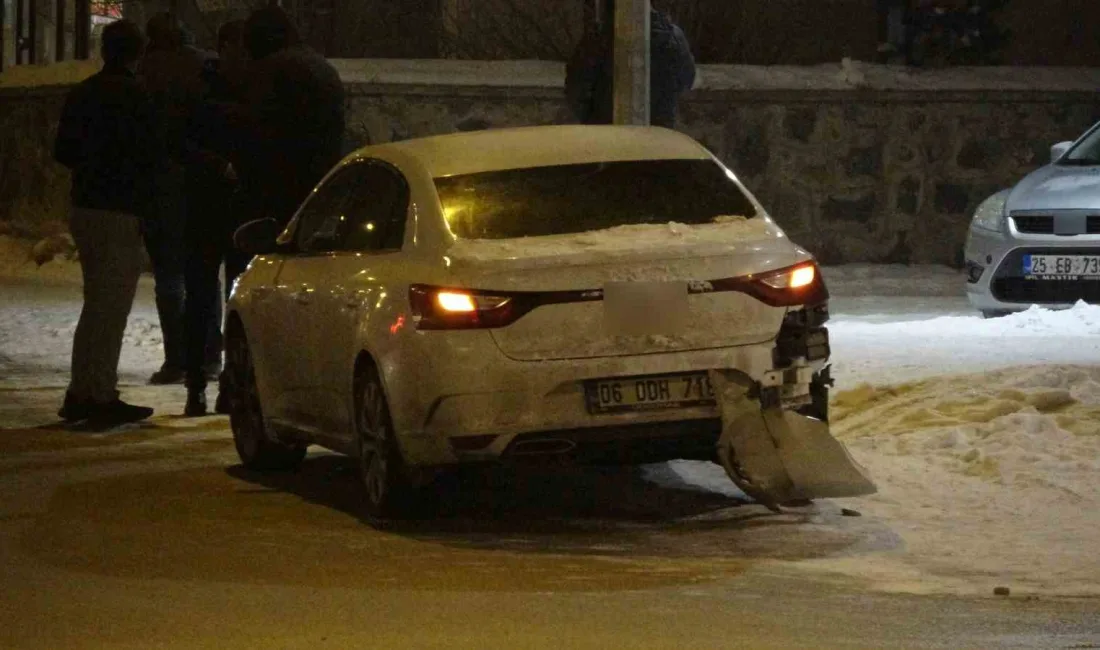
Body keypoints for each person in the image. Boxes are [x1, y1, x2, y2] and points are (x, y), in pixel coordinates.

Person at [53, 19, 159, 424]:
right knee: (111, 307)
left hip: (86, 205)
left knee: (95, 303)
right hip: (119, 208)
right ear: (137, 55)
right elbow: (152, 159)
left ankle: (84, 389)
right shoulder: (137, 98)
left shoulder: (83, 94)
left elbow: (63, 151)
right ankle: (98, 393)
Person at [139, 12, 221, 386]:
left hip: (158, 184)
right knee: (204, 275)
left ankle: (177, 358)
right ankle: (208, 356)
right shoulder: (205, 66)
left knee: (170, 276)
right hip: (203, 182)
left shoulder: (146, 73)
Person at [180, 20, 254, 416]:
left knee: (231, 297)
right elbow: (181, 145)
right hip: (209, 207)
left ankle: (227, 382)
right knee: (203, 297)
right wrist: (219, 166)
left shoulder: (243, 88)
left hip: (230, 209)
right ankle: (199, 382)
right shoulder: (206, 91)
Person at [238, 5, 346, 228]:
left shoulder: (274, 69)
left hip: (284, 182)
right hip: (322, 177)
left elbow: (259, 130)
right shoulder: (317, 63)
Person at [565, 0, 696, 129]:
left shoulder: (597, 38)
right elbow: (686, 81)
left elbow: (576, 90)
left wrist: (593, 121)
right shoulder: (672, 37)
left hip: (607, 135)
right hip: (658, 136)